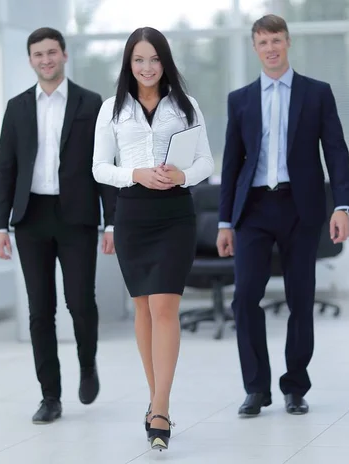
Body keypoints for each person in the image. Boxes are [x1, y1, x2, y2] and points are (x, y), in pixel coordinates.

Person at [217, 14, 349, 417]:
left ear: (287, 42)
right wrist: (226, 221)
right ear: (255, 48)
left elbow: (336, 151)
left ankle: (295, 386)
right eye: (263, 42)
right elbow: (231, 164)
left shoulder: (316, 93)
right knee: (245, 299)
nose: (271, 48)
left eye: (276, 40)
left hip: (301, 206)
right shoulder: (240, 99)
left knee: (300, 299)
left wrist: (342, 205)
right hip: (254, 209)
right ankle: (256, 388)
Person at [92, 27, 214, 450]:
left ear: (166, 63)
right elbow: (99, 168)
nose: (147, 68)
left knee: (164, 305)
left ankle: (160, 406)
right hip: (133, 215)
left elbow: (205, 162)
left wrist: (182, 174)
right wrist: (135, 174)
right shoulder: (112, 109)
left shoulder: (185, 106)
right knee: (143, 307)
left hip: (174, 214)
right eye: (139, 60)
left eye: (155, 59)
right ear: (129, 63)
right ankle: (155, 399)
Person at [0, 27, 117, 424]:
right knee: (39, 311)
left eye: (52, 52)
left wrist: (111, 222)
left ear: (64, 55)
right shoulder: (17, 107)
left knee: (80, 303)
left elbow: (104, 166)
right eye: (38, 54)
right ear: (30, 60)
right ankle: (50, 396)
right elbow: (5, 167)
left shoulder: (90, 103)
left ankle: (87, 363)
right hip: (30, 219)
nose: (45, 59)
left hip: (76, 216)